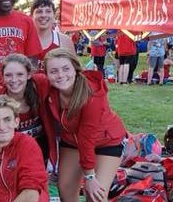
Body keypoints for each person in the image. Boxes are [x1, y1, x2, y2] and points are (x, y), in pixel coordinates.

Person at [44, 48, 127, 202]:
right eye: (53, 71)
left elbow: (86, 137)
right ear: (46, 74)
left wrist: (89, 176)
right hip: (71, 142)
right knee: (65, 190)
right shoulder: (49, 90)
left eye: (66, 69)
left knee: (95, 195)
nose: (61, 75)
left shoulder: (92, 94)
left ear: (76, 69)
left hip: (106, 142)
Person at [0, 53, 55, 163]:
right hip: (9, 153)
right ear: (2, 76)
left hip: (40, 148)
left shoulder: (40, 84)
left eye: (20, 74)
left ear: (29, 75)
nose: (14, 80)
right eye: (8, 75)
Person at [30, 0, 75, 69]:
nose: (43, 15)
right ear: (32, 16)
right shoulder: (24, 41)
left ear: (54, 15)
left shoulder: (65, 41)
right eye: (39, 11)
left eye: (48, 11)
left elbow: (74, 71)